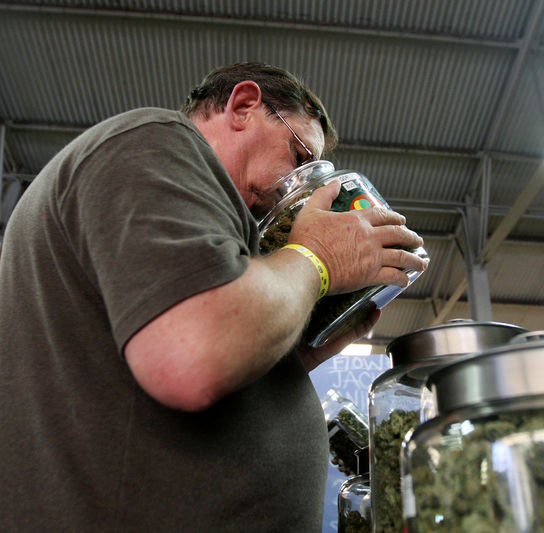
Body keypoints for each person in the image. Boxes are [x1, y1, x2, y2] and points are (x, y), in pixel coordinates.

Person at [0, 62, 428, 531]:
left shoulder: (218, 236)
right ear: (244, 106)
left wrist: (300, 351)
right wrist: (317, 258)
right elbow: (192, 357)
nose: (297, 188)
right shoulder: (156, 141)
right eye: (300, 155)